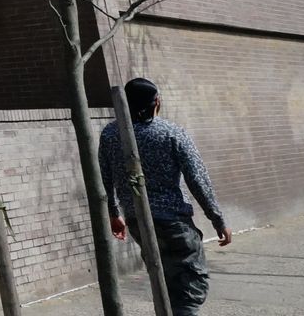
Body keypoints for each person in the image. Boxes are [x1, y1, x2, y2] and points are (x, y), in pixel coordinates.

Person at [98, 77, 233, 316]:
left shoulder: (109, 135)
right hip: (173, 219)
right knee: (189, 285)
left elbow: (105, 177)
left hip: (136, 219)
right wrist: (217, 219)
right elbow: (198, 179)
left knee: (162, 276)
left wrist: (114, 213)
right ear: (156, 102)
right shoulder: (171, 133)